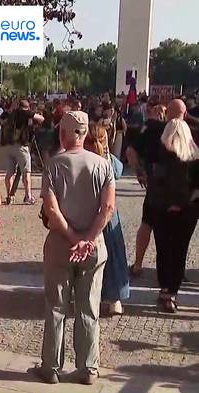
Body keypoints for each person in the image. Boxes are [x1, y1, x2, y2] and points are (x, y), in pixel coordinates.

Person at [36, 111, 115, 385]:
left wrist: (72, 237)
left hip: (61, 244)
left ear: (63, 134)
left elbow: (52, 211)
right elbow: (107, 208)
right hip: (93, 247)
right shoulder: (103, 165)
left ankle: (51, 367)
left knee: (56, 307)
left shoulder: (53, 165)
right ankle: (88, 368)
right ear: (84, 134)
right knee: (89, 308)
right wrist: (88, 238)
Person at [146, 109, 199, 313]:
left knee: (163, 248)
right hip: (187, 212)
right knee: (179, 250)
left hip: (162, 209)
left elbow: (154, 184)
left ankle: (164, 288)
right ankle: (173, 292)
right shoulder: (195, 158)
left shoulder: (159, 154)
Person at [84, 126, 129, 315]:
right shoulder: (109, 162)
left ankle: (87, 295)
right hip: (109, 216)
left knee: (87, 257)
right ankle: (115, 298)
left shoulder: (82, 160)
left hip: (86, 213)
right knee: (114, 256)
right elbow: (119, 170)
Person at [126, 104, 166, 276]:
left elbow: (130, 151)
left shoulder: (148, 128)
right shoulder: (181, 128)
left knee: (147, 224)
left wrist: (139, 172)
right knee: (168, 229)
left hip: (155, 183)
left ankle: (138, 264)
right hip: (176, 186)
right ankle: (168, 270)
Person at [4, 100, 44, 205]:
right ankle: (28, 196)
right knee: (26, 172)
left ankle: (9, 196)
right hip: (21, 146)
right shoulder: (25, 113)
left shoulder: (12, 113)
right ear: (27, 107)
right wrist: (36, 113)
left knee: (10, 173)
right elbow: (41, 119)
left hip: (9, 146)